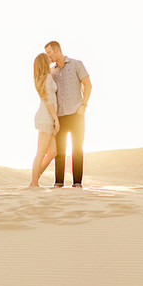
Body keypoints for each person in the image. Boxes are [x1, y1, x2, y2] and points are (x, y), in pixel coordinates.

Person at [44, 41, 91, 187]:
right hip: (60, 117)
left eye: (49, 52)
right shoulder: (52, 71)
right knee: (60, 152)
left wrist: (84, 105)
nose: (48, 56)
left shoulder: (77, 64)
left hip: (76, 114)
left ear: (57, 50)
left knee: (77, 149)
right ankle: (58, 182)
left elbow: (88, 84)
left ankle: (77, 183)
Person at [29, 52, 60, 187]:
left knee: (53, 152)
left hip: (45, 116)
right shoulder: (47, 78)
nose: (49, 58)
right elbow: (49, 101)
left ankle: (34, 179)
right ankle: (34, 182)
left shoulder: (45, 78)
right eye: (47, 57)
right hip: (47, 117)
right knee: (41, 151)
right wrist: (56, 119)